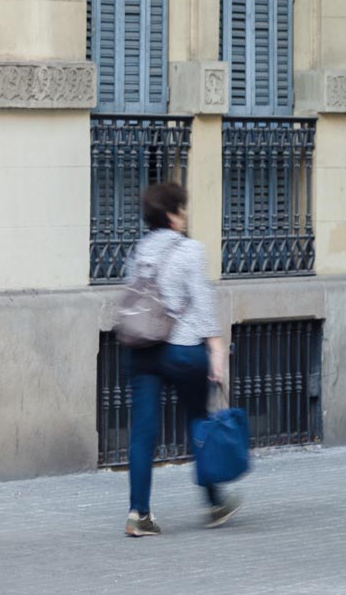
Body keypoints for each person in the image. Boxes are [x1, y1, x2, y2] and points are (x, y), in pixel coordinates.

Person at [123, 181, 239, 536]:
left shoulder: (140, 250)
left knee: (142, 433)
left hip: (142, 350)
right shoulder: (191, 250)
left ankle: (138, 515)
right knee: (199, 422)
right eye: (181, 209)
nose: (185, 215)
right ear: (172, 215)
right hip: (182, 350)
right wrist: (216, 350)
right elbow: (202, 303)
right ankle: (215, 504)